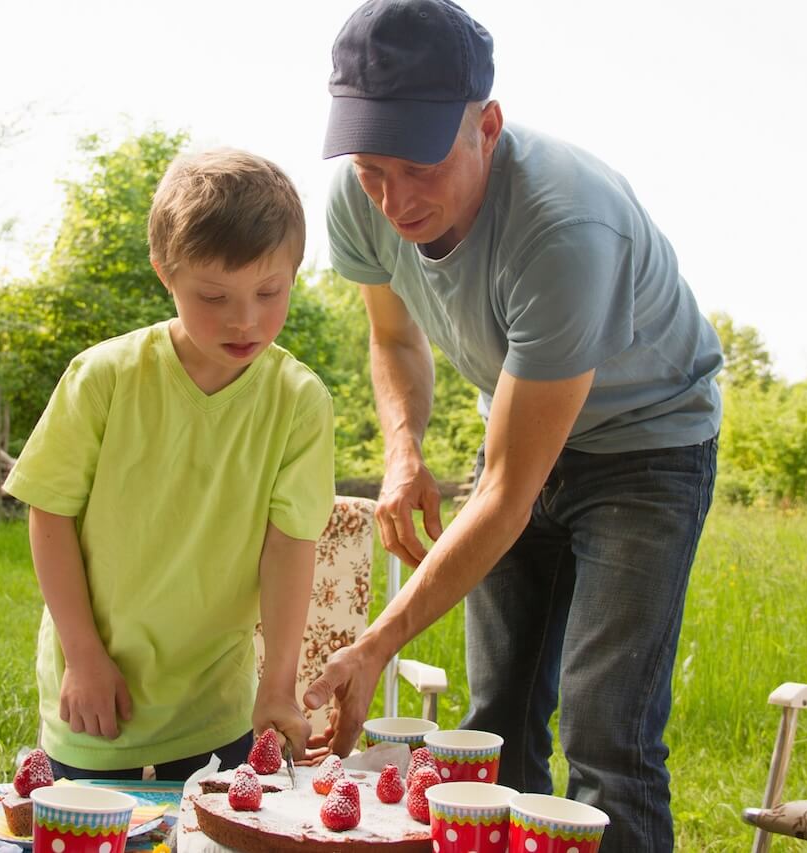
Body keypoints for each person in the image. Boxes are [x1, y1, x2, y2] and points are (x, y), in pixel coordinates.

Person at [302, 1, 723, 850]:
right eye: (372, 167)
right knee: (491, 725)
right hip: (523, 428)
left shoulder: (564, 226)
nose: (394, 199)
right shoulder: (363, 198)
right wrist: (402, 452)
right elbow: (393, 336)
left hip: (648, 447)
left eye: (417, 165)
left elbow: (504, 495)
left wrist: (376, 643)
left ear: (485, 126)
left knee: (607, 734)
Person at [3, 149, 335, 782]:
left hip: (217, 705)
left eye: (270, 291)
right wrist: (83, 657)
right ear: (166, 274)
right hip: (99, 688)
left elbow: (290, 547)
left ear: (295, 271)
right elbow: (50, 519)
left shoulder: (299, 401)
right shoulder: (102, 378)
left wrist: (278, 685)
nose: (245, 319)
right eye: (214, 296)